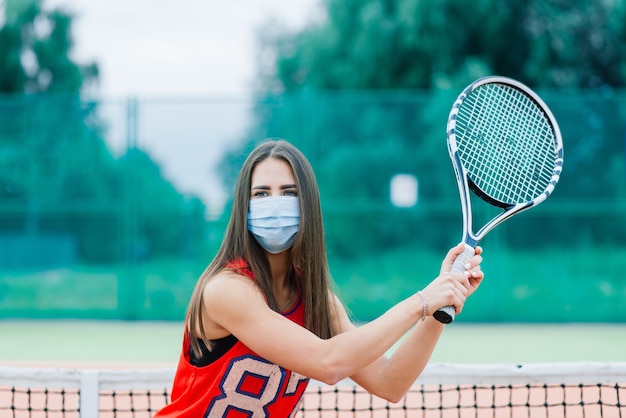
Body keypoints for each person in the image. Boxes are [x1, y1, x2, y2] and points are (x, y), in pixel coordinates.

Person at [154, 139, 484, 417]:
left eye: (288, 192)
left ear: (307, 204)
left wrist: (442, 304)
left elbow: (389, 382)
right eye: (262, 194)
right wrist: (421, 302)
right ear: (244, 205)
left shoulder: (316, 302)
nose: (275, 203)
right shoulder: (226, 290)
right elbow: (328, 363)